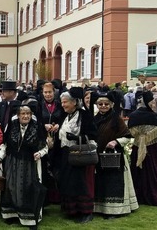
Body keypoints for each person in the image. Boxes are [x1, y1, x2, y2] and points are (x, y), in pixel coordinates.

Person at [0, 105, 47, 230]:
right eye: (23, 113)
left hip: (30, 162)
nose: (26, 116)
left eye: (28, 113)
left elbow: (45, 147)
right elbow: (5, 145)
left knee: (29, 189)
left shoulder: (37, 126)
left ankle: (30, 219)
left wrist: (40, 153)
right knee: (11, 188)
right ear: (18, 115)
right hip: (12, 162)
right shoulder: (12, 125)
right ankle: (11, 215)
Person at [91, 92, 139, 218]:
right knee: (101, 183)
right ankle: (100, 208)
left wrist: (115, 141)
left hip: (114, 157)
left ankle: (114, 210)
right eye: (100, 104)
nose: (103, 106)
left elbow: (128, 136)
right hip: (98, 156)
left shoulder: (116, 119)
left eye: (106, 104)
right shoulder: (95, 119)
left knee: (113, 183)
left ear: (111, 104)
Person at [56, 87, 97, 223]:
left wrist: (76, 136)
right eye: (62, 102)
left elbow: (92, 134)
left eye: (65, 102)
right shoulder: (65, 116)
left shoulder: (84, 116)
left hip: (81, 155)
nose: (63, 105)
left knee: (81, 183)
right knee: (69, 182)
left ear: (74, 102)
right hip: (66, 154)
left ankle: (86, 212)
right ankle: (72, 210)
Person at [128, 91, 157, 207]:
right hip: (153, 148)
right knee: (155, 172)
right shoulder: (152, 115)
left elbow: (131, 132)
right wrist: (150, 135)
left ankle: (139, 196)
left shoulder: (134, 115)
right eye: (152, 100)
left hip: (137, 147)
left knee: (139, 172)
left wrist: (141, 137)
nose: (154, 103)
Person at [38, 82, 63, 204]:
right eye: (45, 92)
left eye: (50, 92)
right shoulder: (39, 105)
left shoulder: (60, 105)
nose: (48, 95)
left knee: (56, 167)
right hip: (43, 140)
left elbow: (64, 118)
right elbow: (35, 121)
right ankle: (46, 197)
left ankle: (57, 197)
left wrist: (59, 125)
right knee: (44, 168)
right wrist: (44, 126)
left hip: (58, 140)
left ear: (54, 92)